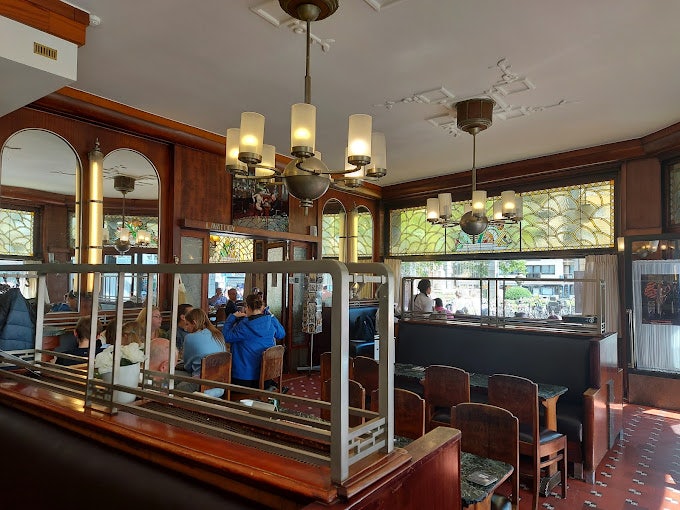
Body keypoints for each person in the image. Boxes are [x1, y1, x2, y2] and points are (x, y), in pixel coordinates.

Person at [222, 293, 285, 388]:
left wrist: (233, 318)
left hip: (244, 378)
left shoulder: (244, 326)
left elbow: (225, 337)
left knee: (221, 382)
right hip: (266, 377)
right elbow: (281, 334)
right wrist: (271, 315)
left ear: (247, 307)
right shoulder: (270, 321)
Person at [177, 308, 227, 395]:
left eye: (187, 324)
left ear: (194, 323)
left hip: (203, 383)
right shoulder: (218, 334)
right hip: (220, 384)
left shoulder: (190, 337)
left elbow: (187, 366)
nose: (186, 328)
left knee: (173, 382)